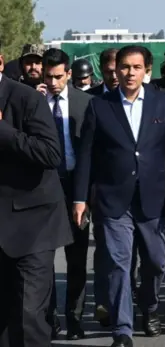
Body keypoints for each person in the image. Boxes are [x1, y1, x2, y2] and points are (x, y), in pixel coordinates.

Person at [73, 45, 165, 347]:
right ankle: (122, 329)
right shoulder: (100, 106)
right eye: (124, 67)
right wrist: (79, 197)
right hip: (113, 199)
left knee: (155, 262)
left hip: (154, 197)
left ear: (147, 71)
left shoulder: (163, 103)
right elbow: (86, 154)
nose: (129, 73)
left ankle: (150, 306)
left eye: (136, 67)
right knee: (118, 263)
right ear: (115, 71)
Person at [0, 42, 73, 347]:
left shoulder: (26, 98)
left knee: (28, 315)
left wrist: (2, 131)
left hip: (33, 225)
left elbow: (50, 153)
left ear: (0, 62)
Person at [40, 48, 93, 341]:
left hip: (77, 188)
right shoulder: (33, 101)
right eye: (49, 76)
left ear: (69, 74)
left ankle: (74, 317)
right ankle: (49, 319)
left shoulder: (87, 103)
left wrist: (87, 193)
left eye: (59, 76)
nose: (53, 82)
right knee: (43, 260)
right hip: (44, 189)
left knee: (76, 258)